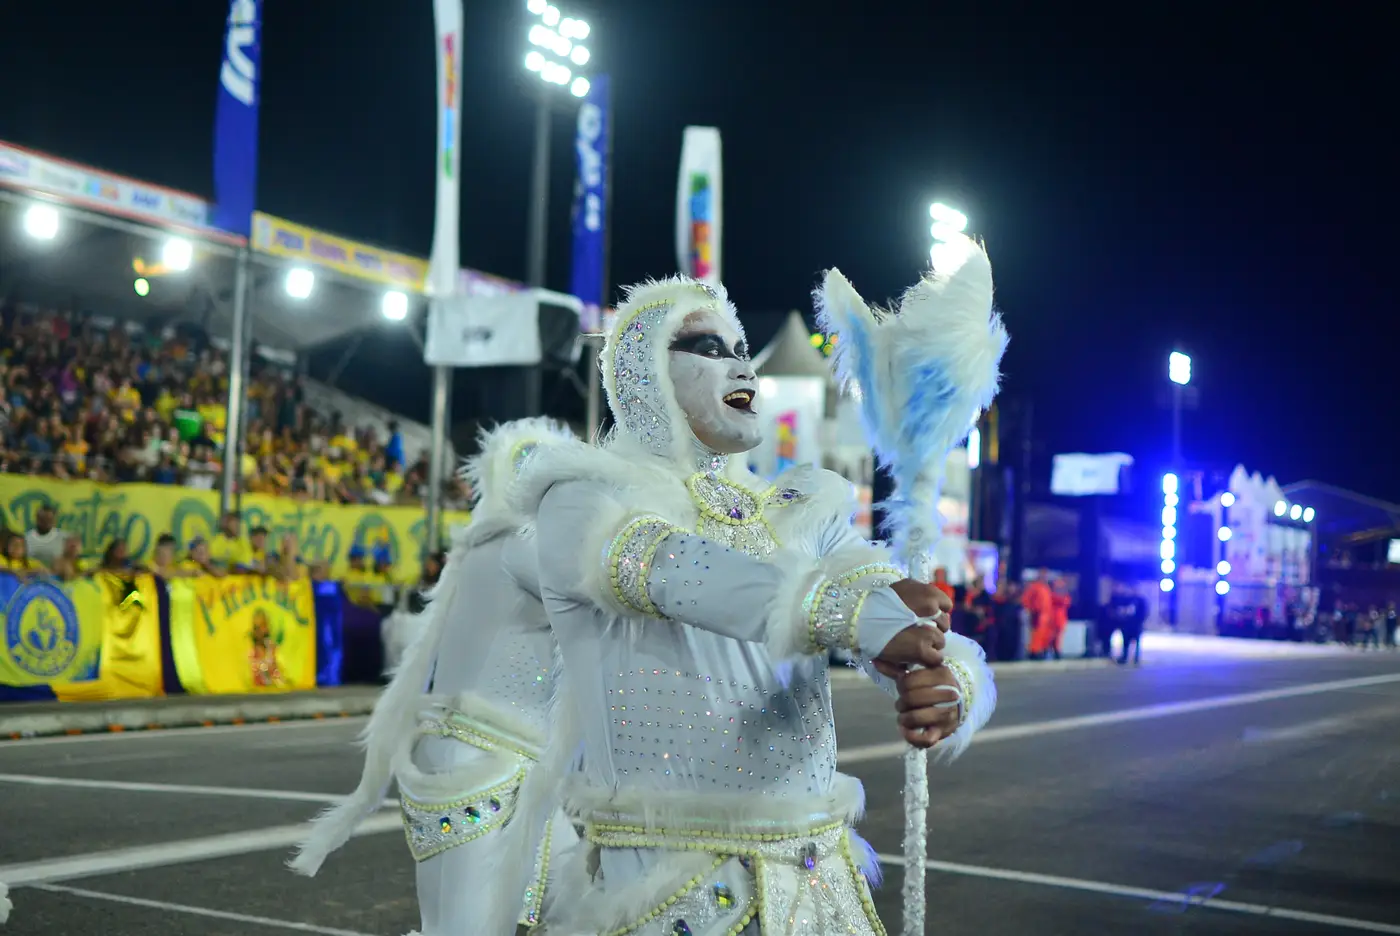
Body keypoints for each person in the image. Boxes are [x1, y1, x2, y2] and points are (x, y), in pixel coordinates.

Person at [507, 276, 996, 936]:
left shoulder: (799, 509)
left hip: (820, 885)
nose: (742, 366)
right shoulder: (582, 498)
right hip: (668, 893)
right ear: (642, 371)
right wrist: (854, 613)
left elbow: (888, 608)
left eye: (741, 349)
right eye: (707, 348)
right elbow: (673, 571)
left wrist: (945, 680)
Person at [291, 418, 579, 936]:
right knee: (462, 927)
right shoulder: (517, 545)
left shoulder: (499, 546)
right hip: (476, 762)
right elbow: (615, 592)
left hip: (514, 762)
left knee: (575, 906)